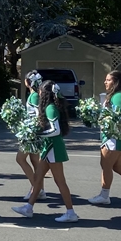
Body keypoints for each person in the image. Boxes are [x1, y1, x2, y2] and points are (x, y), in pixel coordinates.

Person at [12, 80, 78, 222]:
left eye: (41, 90)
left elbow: (56, 130)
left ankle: (70, 212)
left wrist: (38, 134)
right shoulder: (50, 107)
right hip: (48, 147)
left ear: (45, 93)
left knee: (60, 181)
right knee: (38, 178)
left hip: (53, 147)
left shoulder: (50, 108)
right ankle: (28, 208)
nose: (39, 92)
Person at [88, 71, 121, 205]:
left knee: (106, 165)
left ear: (115, 82)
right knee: (118, 167)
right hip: (113, 137)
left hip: (114, 137)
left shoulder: (118, 97)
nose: (105, 82)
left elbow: (117, 118)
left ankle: (104, 195)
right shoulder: (116, 96)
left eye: (108, 80)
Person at [17, 70, 43, 199]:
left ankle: (36, 188)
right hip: (34, 132)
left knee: (20, 159)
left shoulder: (33, 96)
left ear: (27, 82)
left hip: (31, 133)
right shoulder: (36, 95)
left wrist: (30, 128)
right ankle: (40, 188)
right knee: (34, 160)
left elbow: (38, 115)